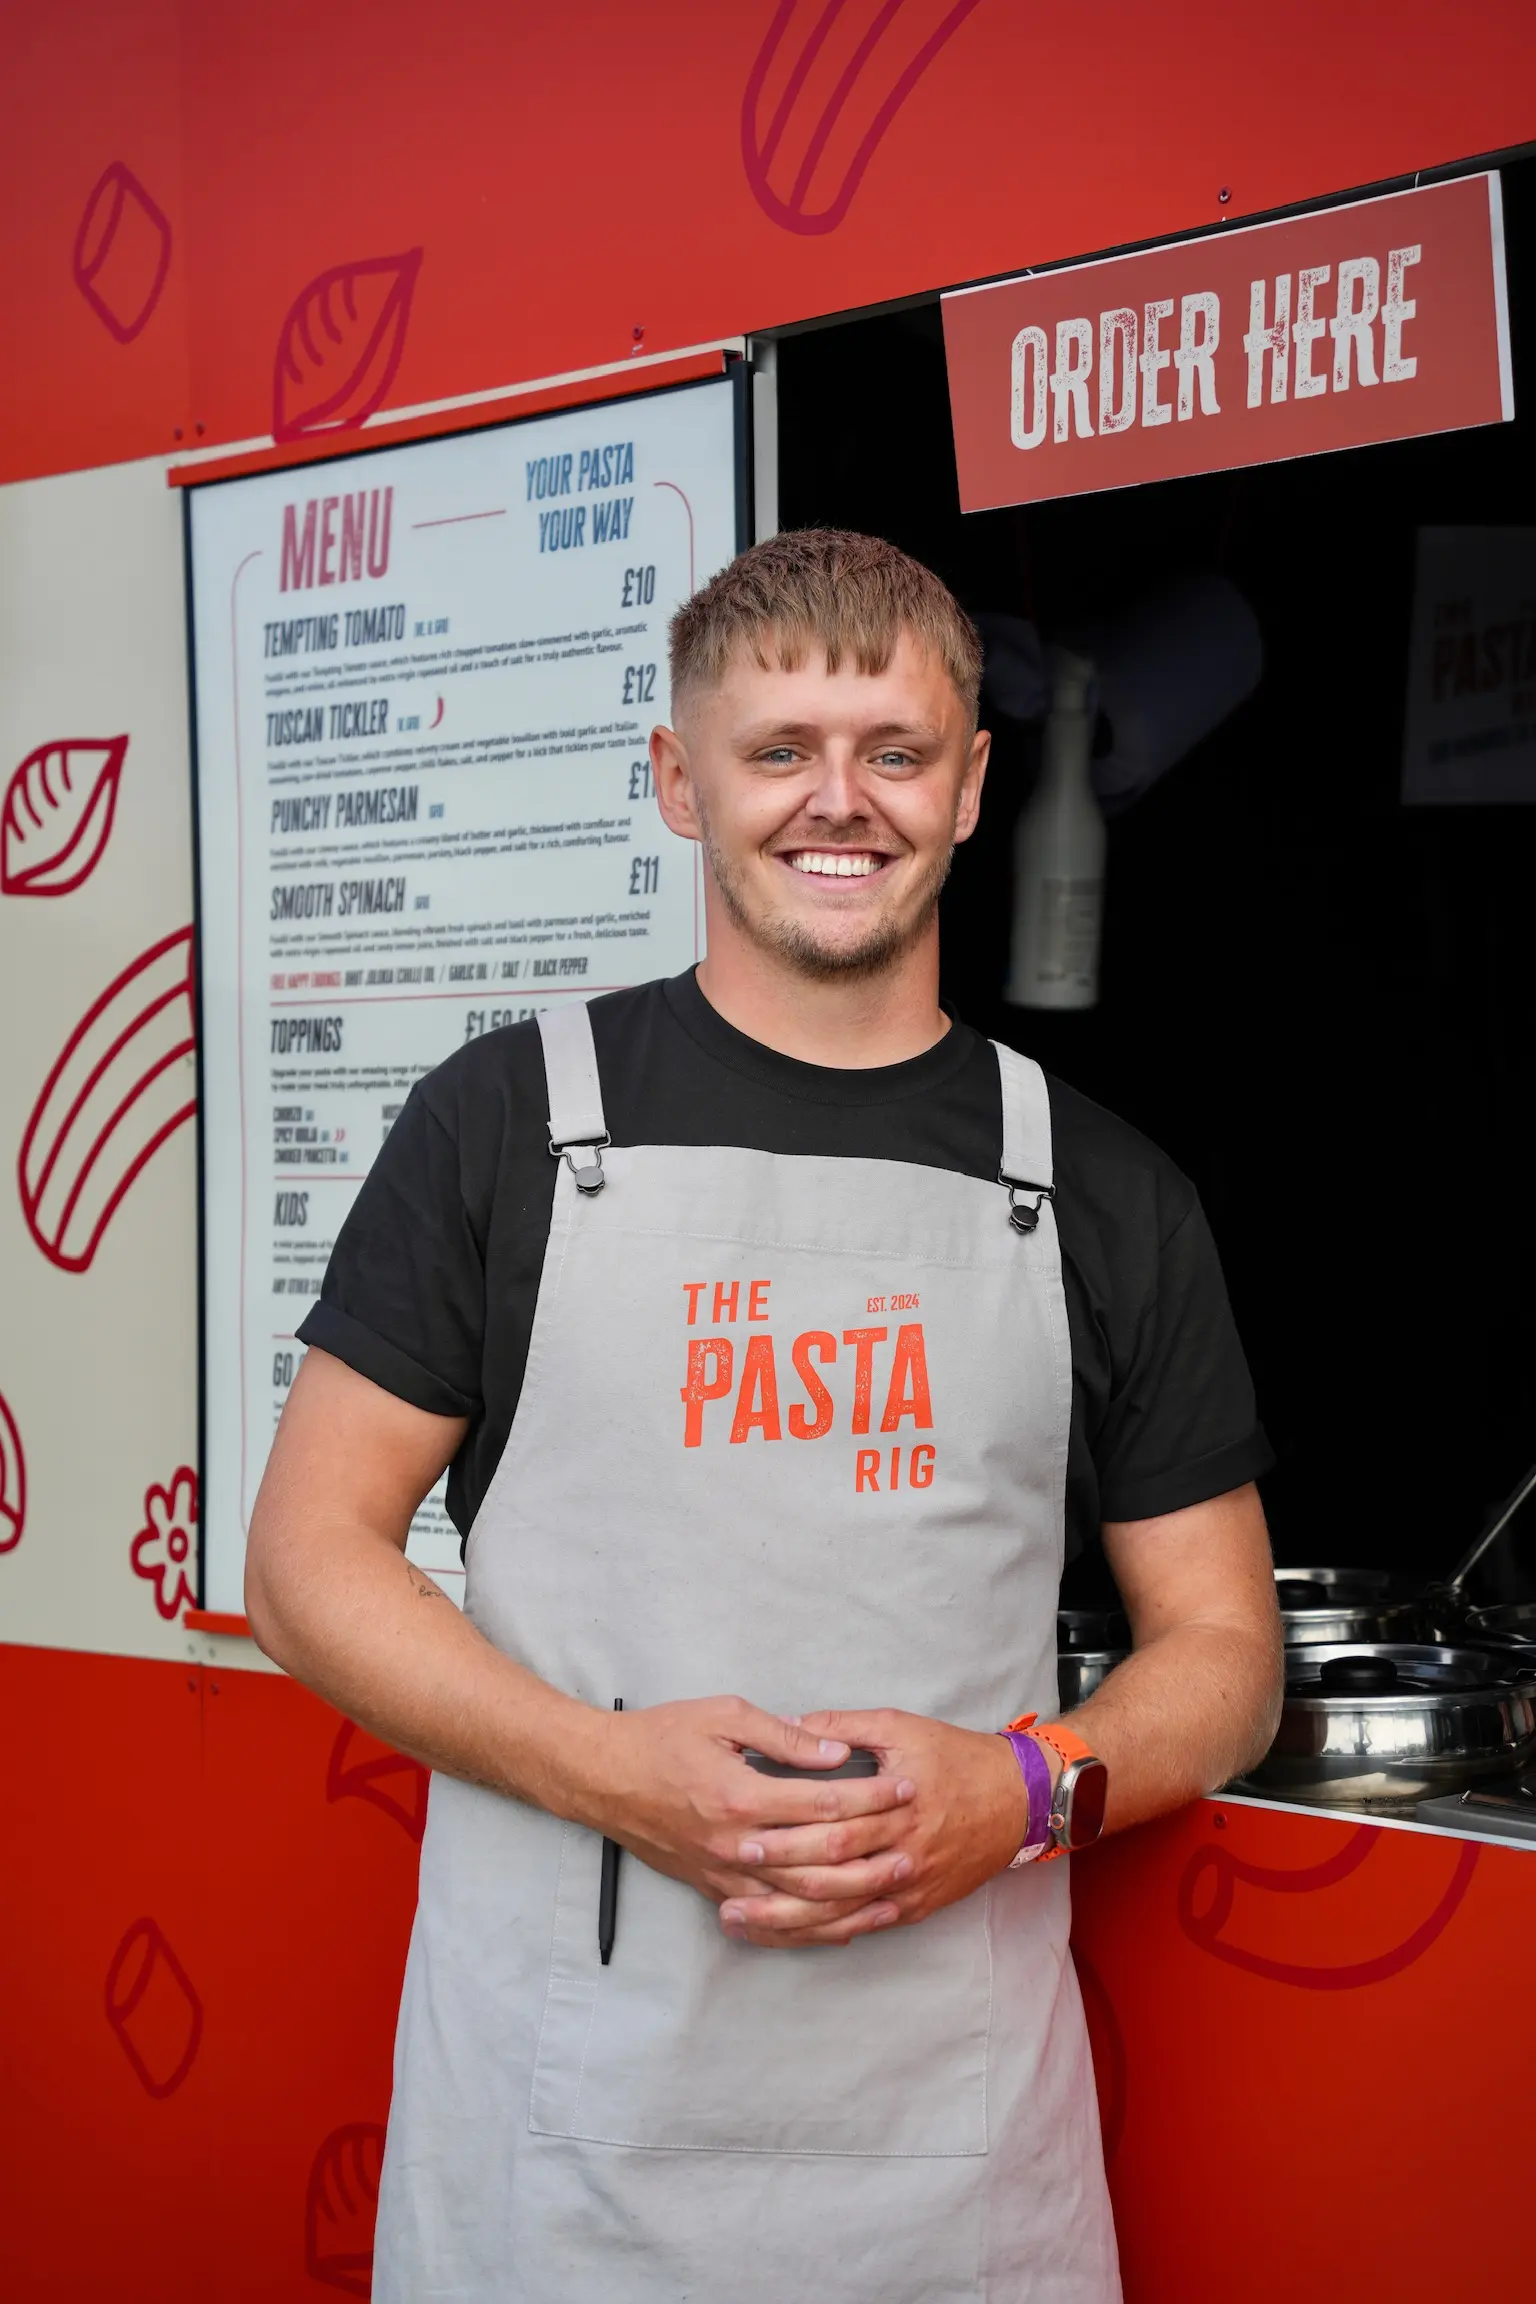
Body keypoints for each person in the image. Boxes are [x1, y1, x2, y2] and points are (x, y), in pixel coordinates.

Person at [246, 527, 1283, 2302]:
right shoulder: (505, 1124)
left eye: (893, 752)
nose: (839, 802)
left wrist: (1028, 1792)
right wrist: (606, 1773)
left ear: (970, 787)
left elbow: (1229, 1652)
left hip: (953, 2175)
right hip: (560, 2148)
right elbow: (302, 1563)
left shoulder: (1103, 1189)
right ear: (679, 781)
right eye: (780, 750)